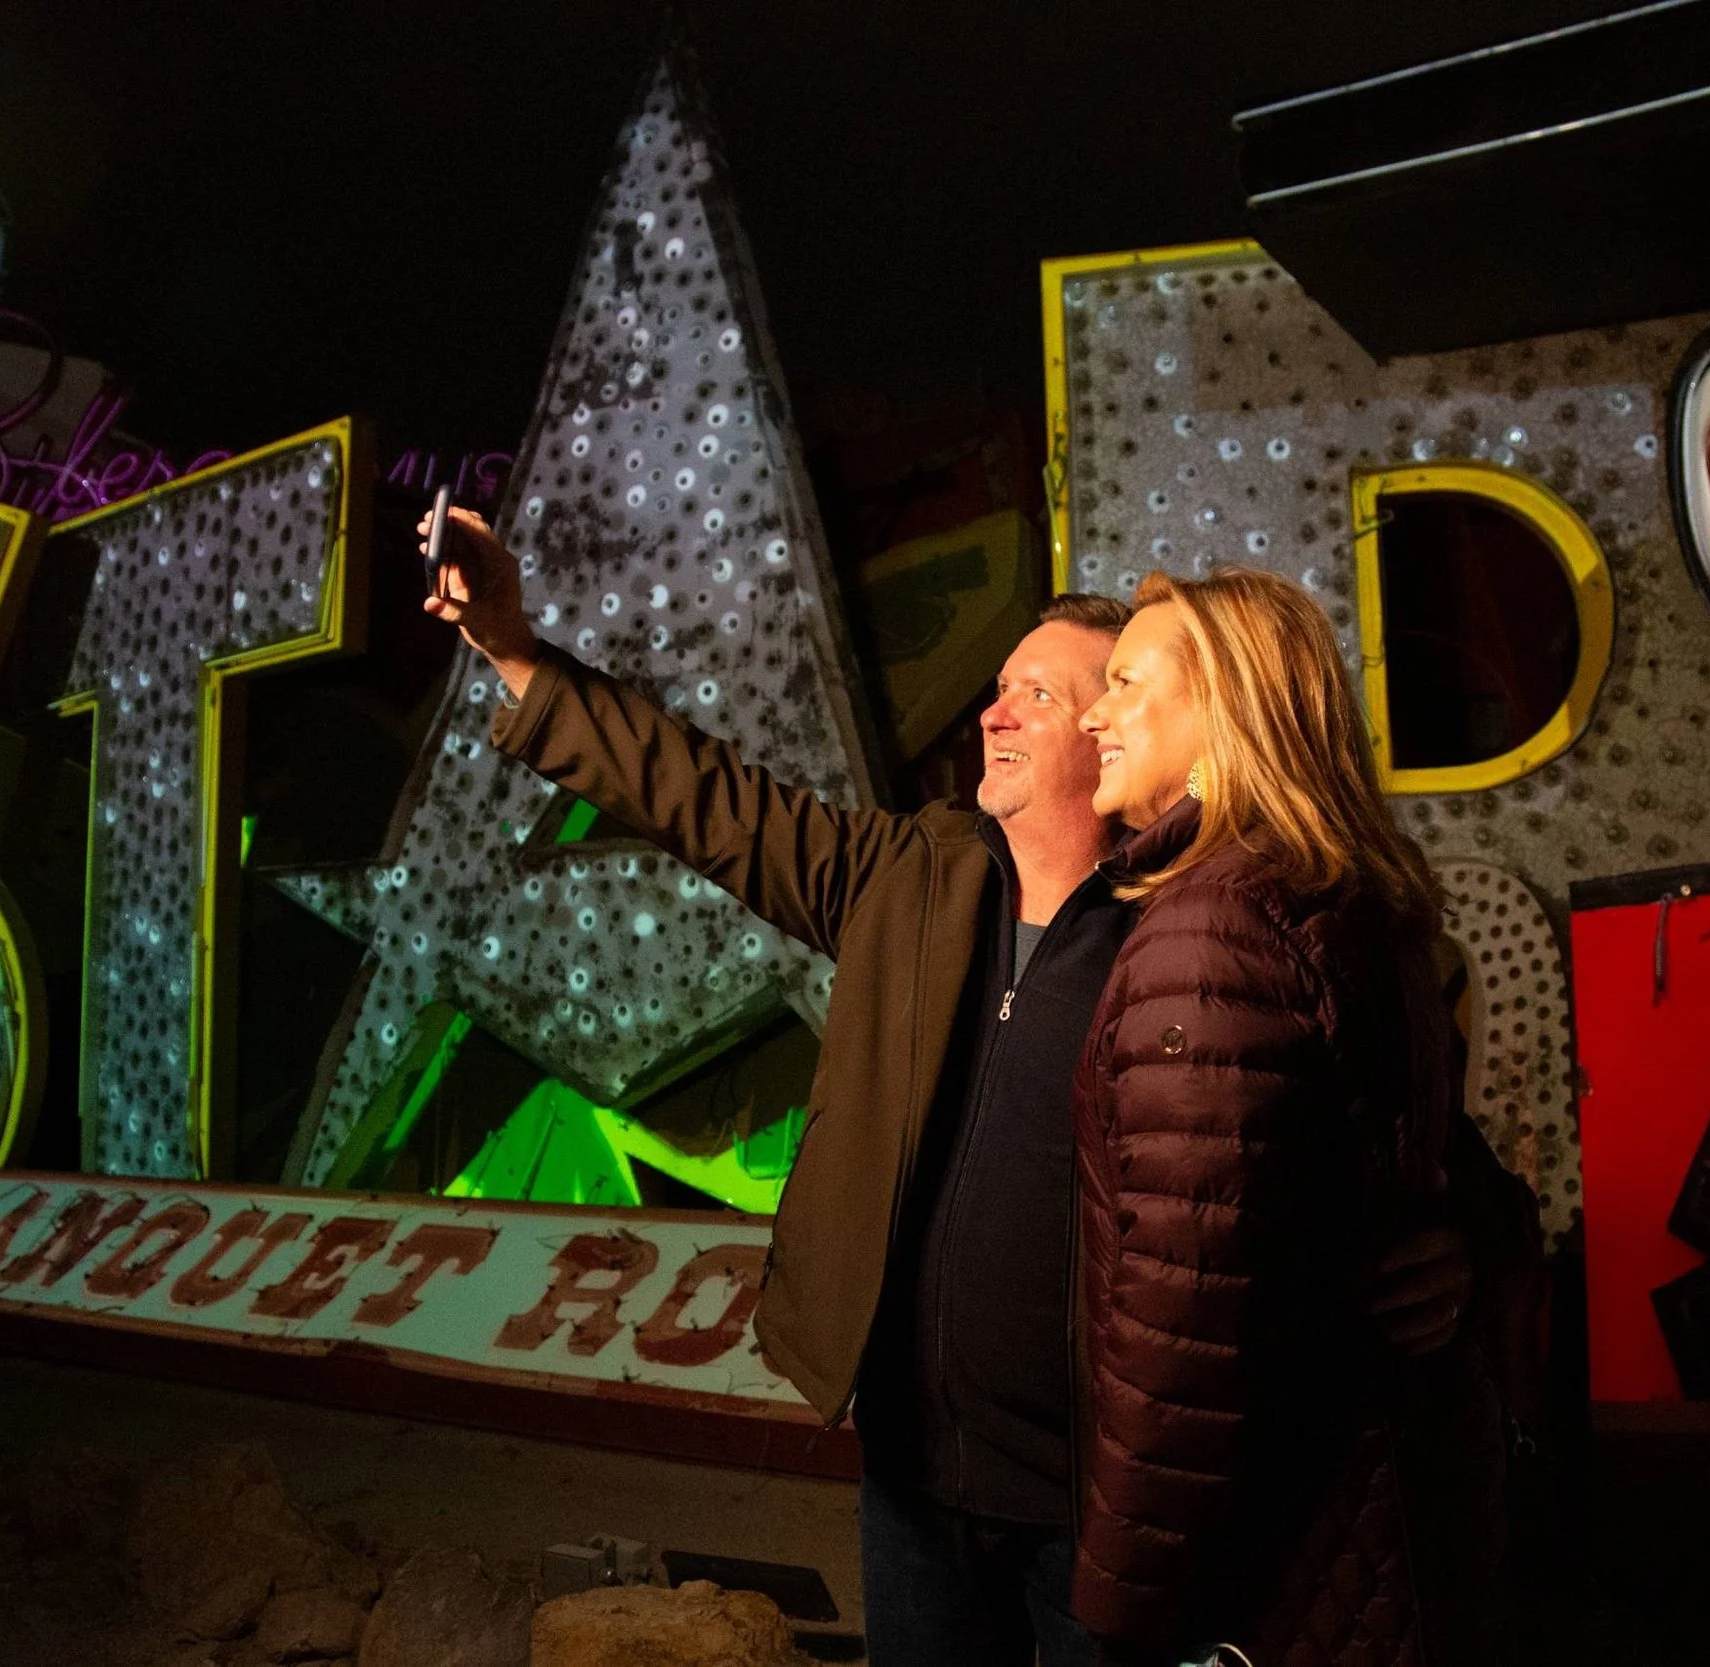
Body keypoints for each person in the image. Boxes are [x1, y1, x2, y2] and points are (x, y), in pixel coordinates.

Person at [421, 509, 1495, 1667]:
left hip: (1104, 1513)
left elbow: (1413, 1138)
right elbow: (705, 795)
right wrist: (517, 651)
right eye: (997, 686)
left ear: (1111, 721)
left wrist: (1466, 1244)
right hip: (916, 1480)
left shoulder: (1195, 934)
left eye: (1041, 692)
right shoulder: (907, 879)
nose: (995, 710)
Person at [1071, 569, 1512, 1667]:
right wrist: (1469, 1244)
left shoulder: (1206, 936)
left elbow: (1181, 1319)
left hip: (1277, 1561)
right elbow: (1431, 1171)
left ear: (1227, 710)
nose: (1092, 714)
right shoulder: (1337, 904)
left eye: (1125, 682)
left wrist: (1119, 1609)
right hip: (1386, 1535)